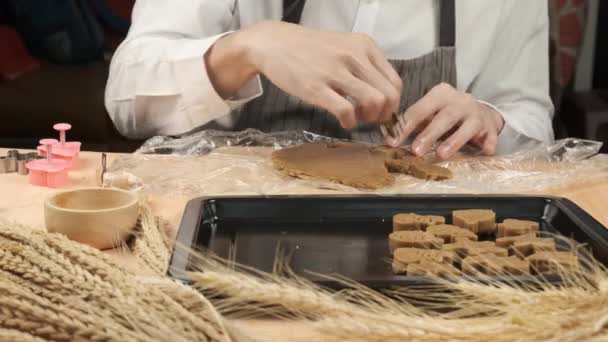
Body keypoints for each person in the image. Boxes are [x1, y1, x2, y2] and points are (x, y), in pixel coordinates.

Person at [105, 0, 554, 160]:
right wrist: (249, 47)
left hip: (418, 237)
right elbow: (126, 99)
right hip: (232, 222)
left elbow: (531, 119)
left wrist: (489, 118)